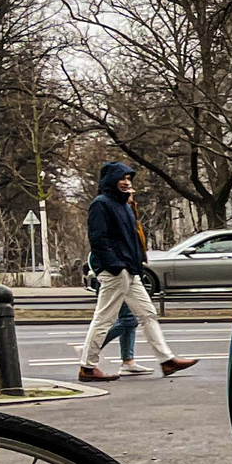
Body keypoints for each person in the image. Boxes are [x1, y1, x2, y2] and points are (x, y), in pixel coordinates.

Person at [79, 162, 193, 382]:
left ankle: (167, 360)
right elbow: (98, 239)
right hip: (116, 271)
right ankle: (87, 366)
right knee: (104, 318)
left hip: (129, 270)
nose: (127, 182)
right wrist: (115, 265)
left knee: (147, 314)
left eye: (129, 179)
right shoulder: (101, 204)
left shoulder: (123, 205)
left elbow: (132, 238)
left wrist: (135, 264)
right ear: (110, 180)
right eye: (122, 178)